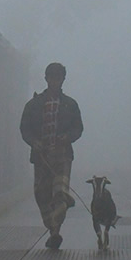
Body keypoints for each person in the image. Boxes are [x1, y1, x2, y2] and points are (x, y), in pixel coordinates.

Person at [20, 62, 84, 249]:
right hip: (41, 156)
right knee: (42, 195)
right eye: (52, 78)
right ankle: (53, 225)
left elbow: (78, 128)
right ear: (46, 79)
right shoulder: (33, 105)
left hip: (62, 155)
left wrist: (68, 137)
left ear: (63, 80)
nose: (55, 81)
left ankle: (55, 231)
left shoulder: (70, 105)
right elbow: (25, 129)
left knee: (59, 192)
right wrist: (34, 142)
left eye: (58, 78)